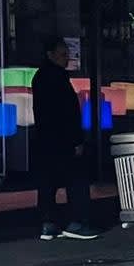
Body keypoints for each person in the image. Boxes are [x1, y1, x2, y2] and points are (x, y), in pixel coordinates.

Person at [31, 36, 99, 241]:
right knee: (76, 180)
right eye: (62, 55)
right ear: (50, 55)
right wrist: (77, 140)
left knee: (48, 183)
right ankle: (77, 222)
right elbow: (68, 113)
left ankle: (48, 222)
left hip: (46, 139)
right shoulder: (57, 78)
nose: (66, 59)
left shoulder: (40, 77)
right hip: (63, 139)